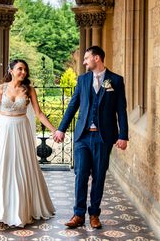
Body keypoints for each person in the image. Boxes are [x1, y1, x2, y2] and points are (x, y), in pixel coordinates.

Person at [0, 59, 56, 228]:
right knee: (1, 167)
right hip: (3, 130)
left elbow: (39, 113)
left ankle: (21, 209)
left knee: (21, 167)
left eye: (25, 70)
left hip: (21, 130)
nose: (23, 72)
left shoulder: (29, 90)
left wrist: (54, 130)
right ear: (11, 70)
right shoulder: (1, 88)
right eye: (19, 69)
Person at [53, 46, 128, 229]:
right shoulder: (83, 80)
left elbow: (121, 110)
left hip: (104, 137)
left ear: (96, 58)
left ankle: (94, 213)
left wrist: (123, 135)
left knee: (99, 175)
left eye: (86, 58)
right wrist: (61, 129)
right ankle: (78, 215)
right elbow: (73, 106)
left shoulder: (116, 81)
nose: (84, 62)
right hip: (82, 136)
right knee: (81, 174)